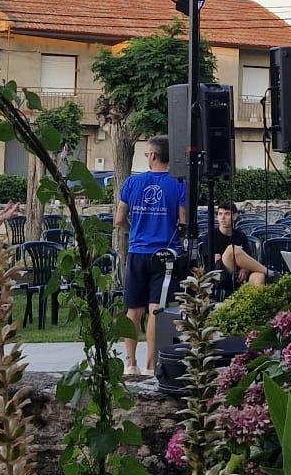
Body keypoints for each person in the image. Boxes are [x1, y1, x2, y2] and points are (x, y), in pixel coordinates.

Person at [115, 136, 188, 378]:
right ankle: (151, 365)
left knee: (133, 310)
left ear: (154, 155)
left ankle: (130, 363)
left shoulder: (132, 182)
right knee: (156, 309)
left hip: (137, 252)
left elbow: (119, 220)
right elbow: (183, 222)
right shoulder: (179, 184)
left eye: (148, 154)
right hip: (165, 255)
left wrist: (134, 231)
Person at [203, 200, 271, 292]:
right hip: (220, 275)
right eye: (220, 214)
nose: (223, 217)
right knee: (232, 249)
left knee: (259, 276)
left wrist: (245, 269)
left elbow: (248, 258)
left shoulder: (241, 236)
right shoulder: (210, 236)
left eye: (227, 214)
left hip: (240, 276)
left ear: (234, 216)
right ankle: (270, 272)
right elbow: (217, 263)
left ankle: (255, 300)